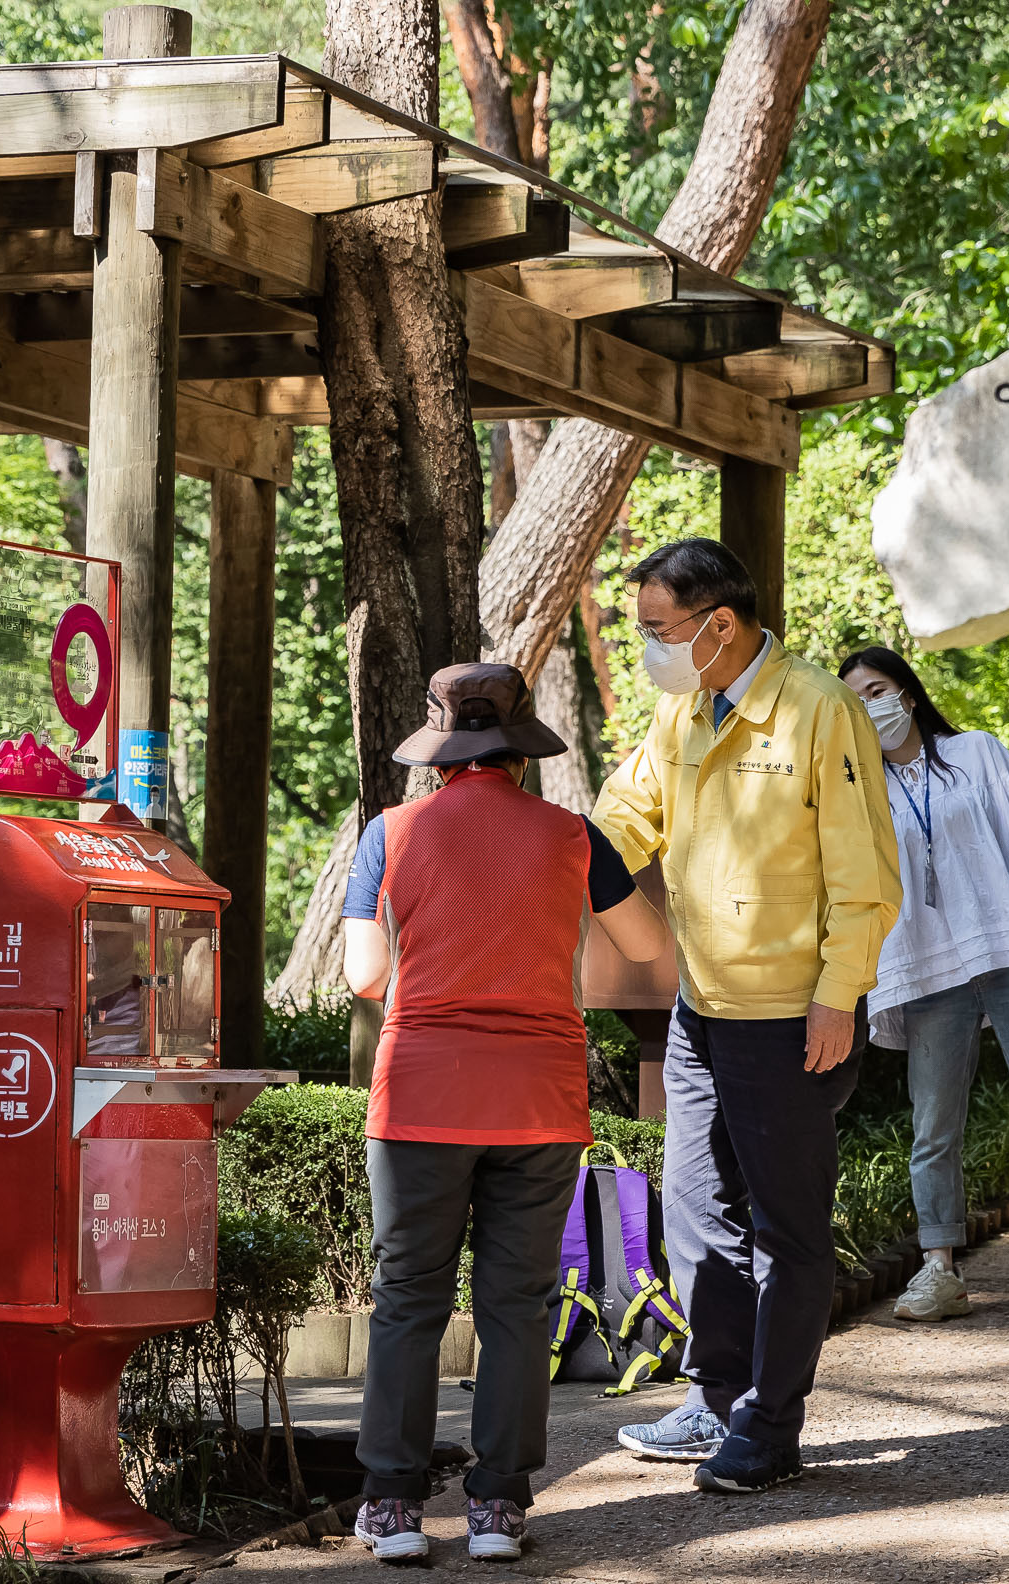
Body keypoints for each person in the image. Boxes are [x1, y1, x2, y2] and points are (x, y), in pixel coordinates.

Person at [341, 664, 669, 1564]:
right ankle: (498, 1508)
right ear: (521, 751)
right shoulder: (573, 835)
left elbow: (362, 975)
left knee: (407, 1297)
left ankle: (394, 1509)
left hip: (420, 1096)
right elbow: (648, 950)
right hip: (539, 1096)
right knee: (518, 1305)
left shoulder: (392, 832)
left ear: (441, 752)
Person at [594, 539, 901, 1495]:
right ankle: (720, 1396)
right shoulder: (683, 706)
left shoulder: (821, 709)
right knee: (693, 1207)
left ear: (719, 625)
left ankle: (771, 1425)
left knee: (789, 1228)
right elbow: (625, 813)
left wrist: (837, 996)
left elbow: (864, 875)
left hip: (788, 1013)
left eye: (659, 630)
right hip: (702, 1006)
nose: (649, 647)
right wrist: (544, 855)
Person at [838, 647, 1009, 1331]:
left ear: (908, 691)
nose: (872, 705)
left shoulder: (977, 752)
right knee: (933, 1127)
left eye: (879, 688)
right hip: (926, 969)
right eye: (856, 698)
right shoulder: (858, 790)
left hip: (1007, 950)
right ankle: (940, 1267)